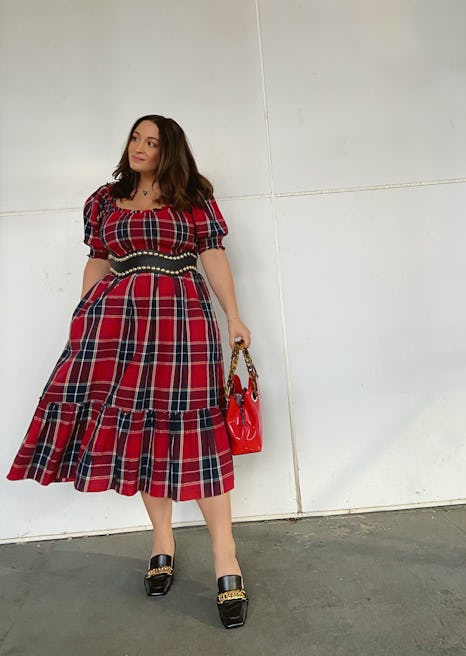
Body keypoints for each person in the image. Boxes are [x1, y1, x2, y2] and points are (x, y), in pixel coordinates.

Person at [7, 114, 251, 629]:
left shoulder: (193, 197)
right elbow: (98, 259)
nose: (140, 147)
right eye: (136, 138)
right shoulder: (105, 199)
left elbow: (212, 254)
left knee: (195, 437)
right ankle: (162, 540)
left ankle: (225, 559)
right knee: (140, 434)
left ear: (170, 151)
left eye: (152, 142)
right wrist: (81, 317)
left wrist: (233, 316)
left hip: (182, 322)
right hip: (114, 325)